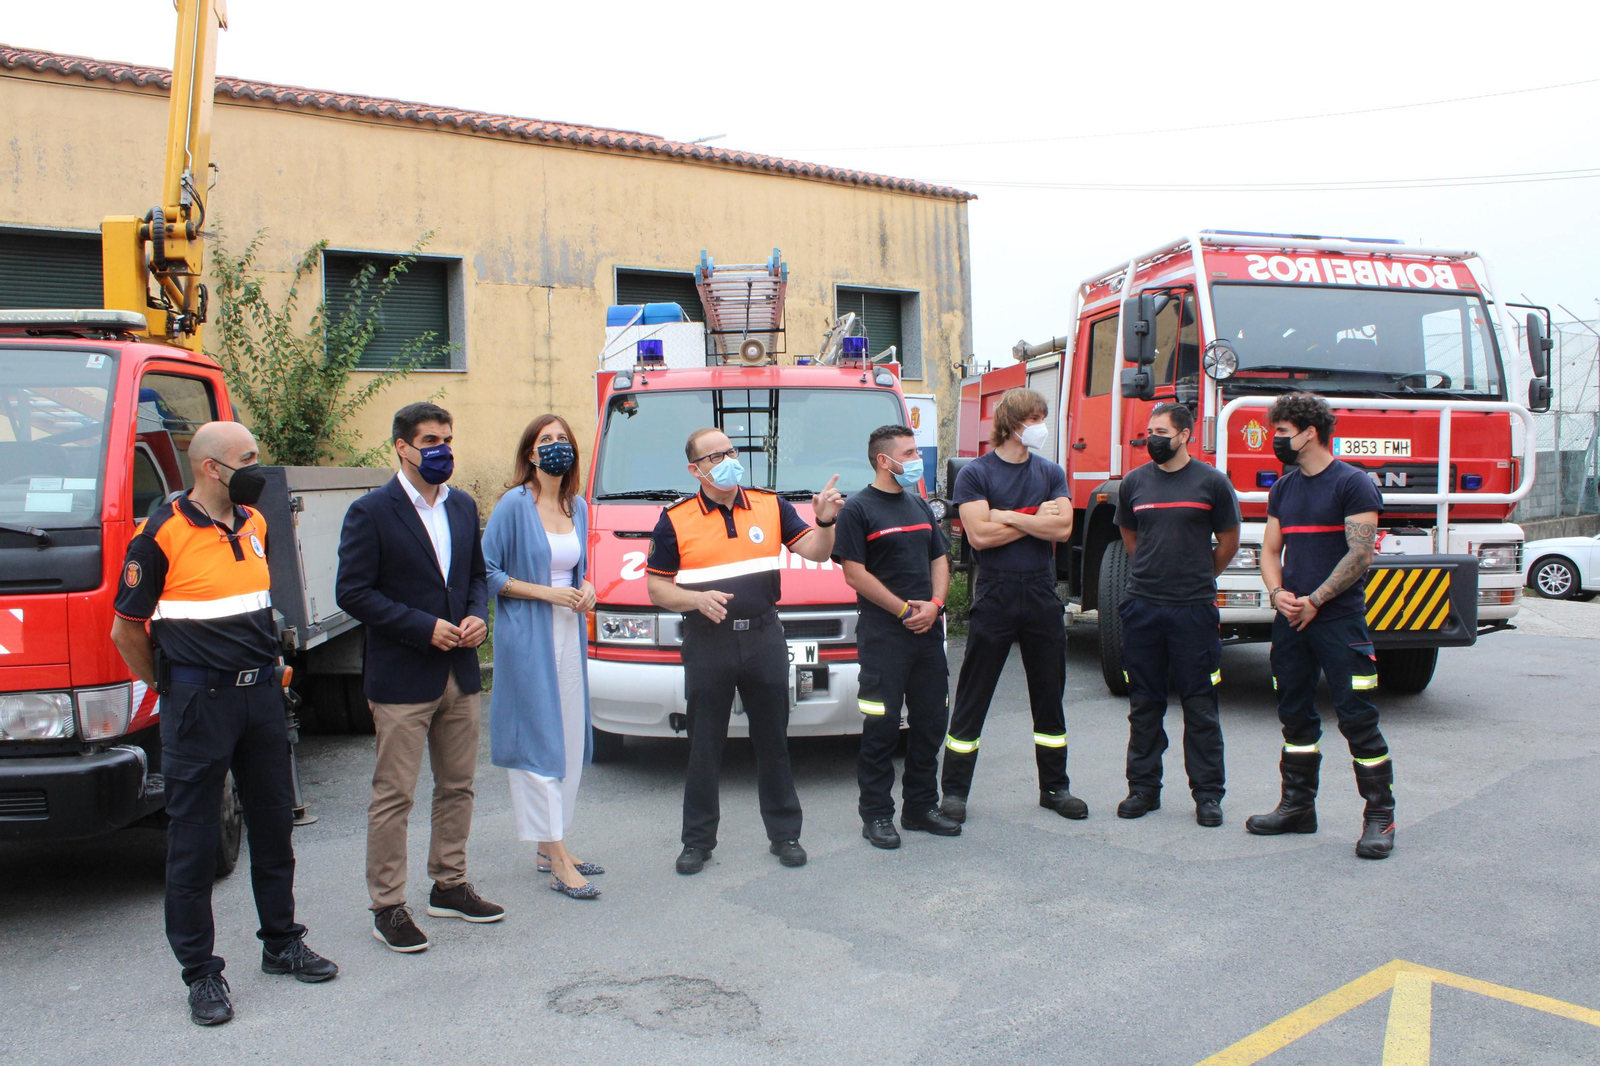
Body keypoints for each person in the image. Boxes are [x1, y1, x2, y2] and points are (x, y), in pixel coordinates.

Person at [110, 421, 337, 1026]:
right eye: (249, 459)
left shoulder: (255, 523)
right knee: (192, 842)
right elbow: (125, 630)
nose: (258, 468)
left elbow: (255, 608)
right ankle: (201, 974)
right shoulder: (159, 535)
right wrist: (169, 685)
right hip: (197, 704)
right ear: (212, 467)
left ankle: (281, 942)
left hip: (259, 698)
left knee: (272, 827)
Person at [335, 401, 502, 953]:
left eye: (448, 439)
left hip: (459, 671)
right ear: (402, 447)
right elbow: (353, 593)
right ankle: (388, 905)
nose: (443, 451)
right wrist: (421, 627)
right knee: (395, 796)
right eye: (431, 441)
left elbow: (475, 576)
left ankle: (449, 884)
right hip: (404, 676)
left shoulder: (461, 506)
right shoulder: (371, 512)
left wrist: (477, 615)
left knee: (458, 786)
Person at [647, 427, 844, 874]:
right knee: (704, 745)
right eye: (715, 457)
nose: (728, 461)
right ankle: (697, 841)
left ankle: (785, 834)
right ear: (694, 470)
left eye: (731, 451)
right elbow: (657, 587)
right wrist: (695, 600)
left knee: (773, 741)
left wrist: (826, 521)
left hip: (764, 638)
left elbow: (814, 551)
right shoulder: (675, 519)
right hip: (708, 642)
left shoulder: (770, 505)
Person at [1247, 392, 1395, 859]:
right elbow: (1270, 552)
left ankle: (1379, 818)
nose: (1276, 440)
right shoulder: (1284, 489)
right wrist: (1278, 595)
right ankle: (1297, 808)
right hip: (1290, 621)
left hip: (1339, 622)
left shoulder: (1352, 484)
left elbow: (1361, 553)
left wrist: (1316, 599)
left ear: (1310, 432)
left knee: (1357, 718)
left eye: (1283, 432)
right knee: (1294, 714)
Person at [941, 388, 1084, 823]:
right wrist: (1035, 520)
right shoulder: (975, 474)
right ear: (1011, 423)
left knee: (1049, 695)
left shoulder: (1051, 471)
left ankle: (1055, 789)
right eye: (1034, 417)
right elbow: (979, 537)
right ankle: (954, 794)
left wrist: (1008, 516)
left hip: (1041, 593)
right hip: (996, 592)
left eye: (1044, 416)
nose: (1041, 425)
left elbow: (1063, 530)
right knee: (973, 695)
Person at [482, 415, 601, 900]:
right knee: (539, 741)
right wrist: (547, 595)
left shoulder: (578, 506)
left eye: (562, 440)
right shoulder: (514, 504)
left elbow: (578, 570)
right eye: (544, 440)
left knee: (569, 738)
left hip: (568, 635)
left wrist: (586, 588)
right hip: (528, 636)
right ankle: (556, 858)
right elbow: (487, 571)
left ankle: (551, 844)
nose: (555, 447)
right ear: (530, 454)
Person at [1112, 403, 1241, 826]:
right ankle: (1143, 790)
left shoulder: (1212, 483)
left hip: (1193, 610)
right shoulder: (1134, 483)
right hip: (1143, 607)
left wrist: (1197, 575)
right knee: (1144, 704)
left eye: (1161, 431)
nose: (1152, 438)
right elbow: (1130, 536)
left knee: (1200, 705)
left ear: (1184, 435)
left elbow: (1228, 541)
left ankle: (1207, 796)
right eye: (1149, 431)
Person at [832, 425, 962, 848]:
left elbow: (939, 558)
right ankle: (876, 815)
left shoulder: (919, 505)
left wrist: (936, 605)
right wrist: (905, 609)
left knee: (929, 724)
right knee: (882, 728)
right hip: (885, 637)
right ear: (884, 461)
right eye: (908, 452)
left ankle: (920, 807)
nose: (915, 459)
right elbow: (854, 572)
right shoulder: (858, 510)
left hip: (927, 634)